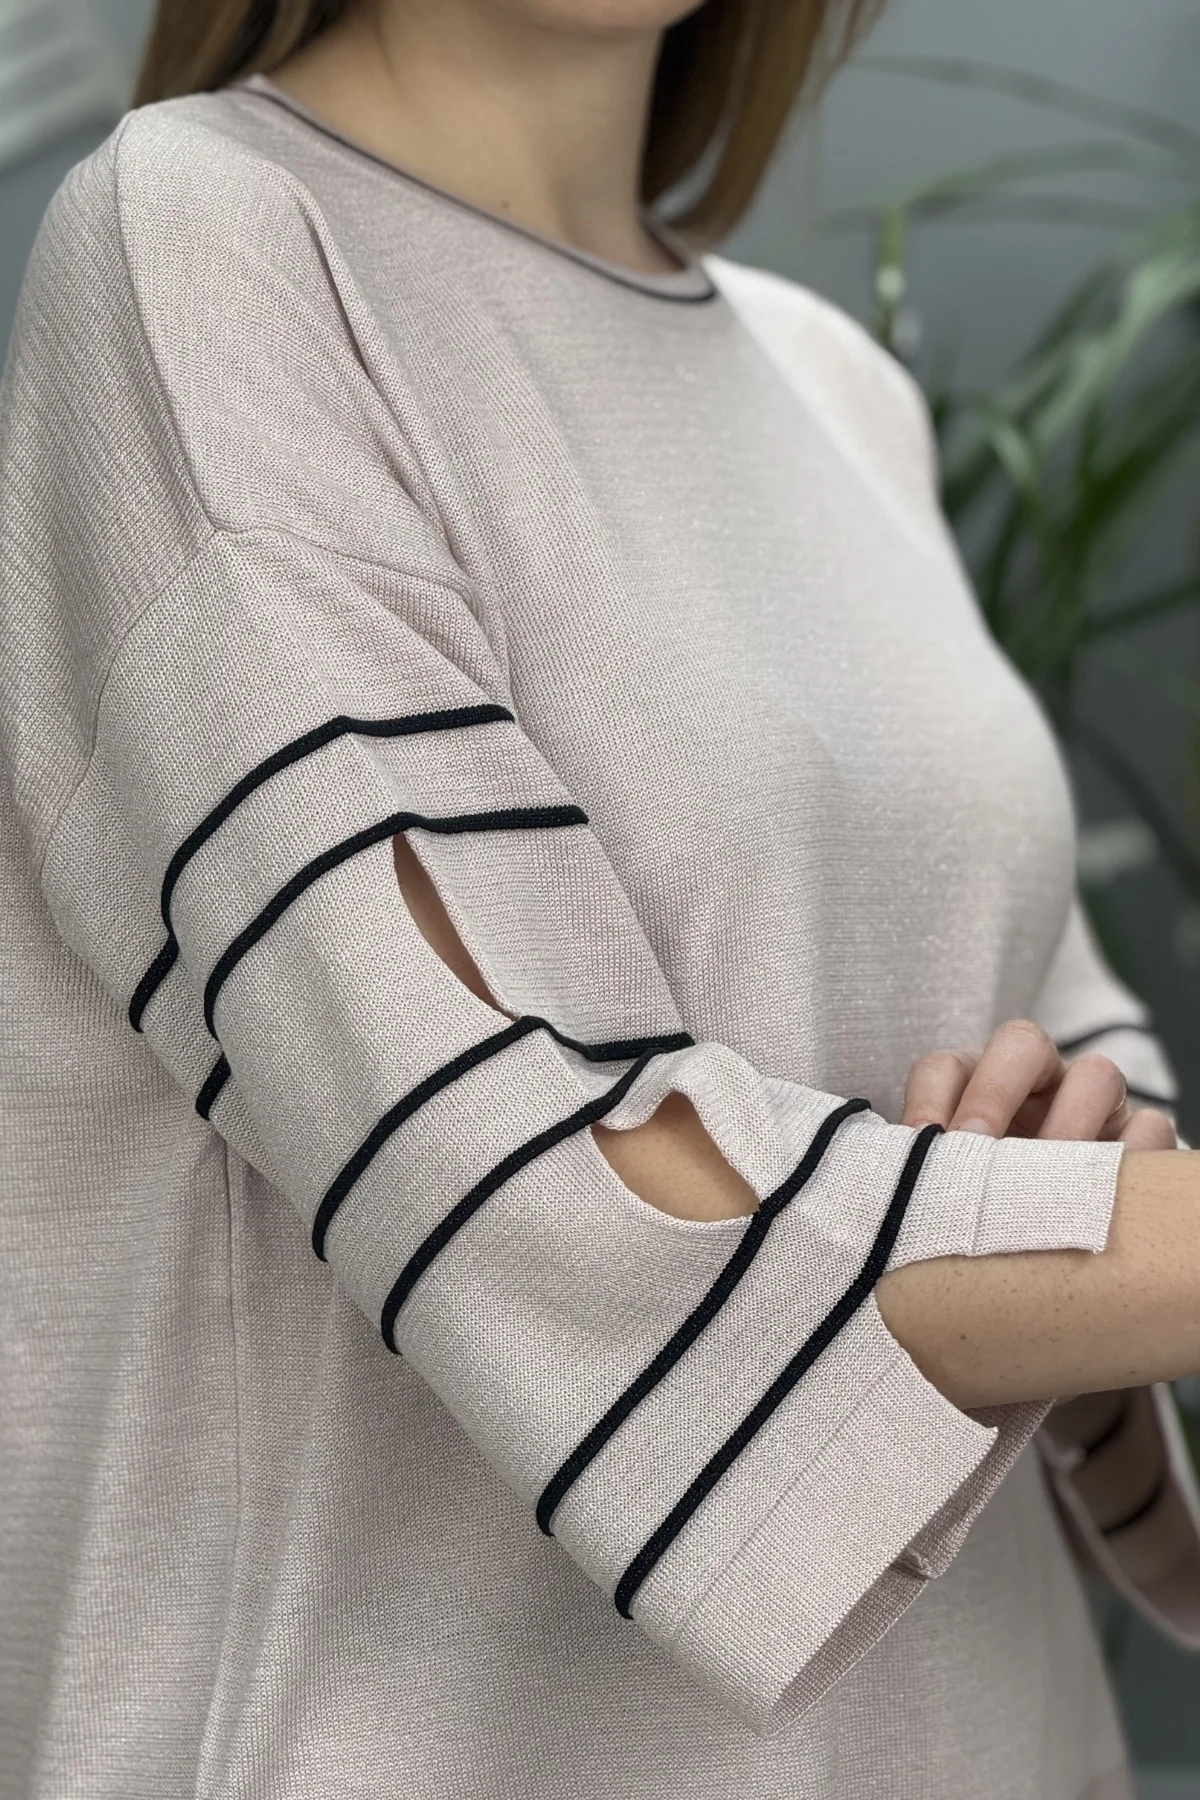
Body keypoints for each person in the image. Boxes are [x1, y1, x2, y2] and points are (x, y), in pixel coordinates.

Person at [1, 0, 1199, 1793]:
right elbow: (533, 1172)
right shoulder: (207, 237)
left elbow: (1086, 1087)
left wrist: (1070, 1164)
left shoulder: (837, 391)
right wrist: (1053, 1228)